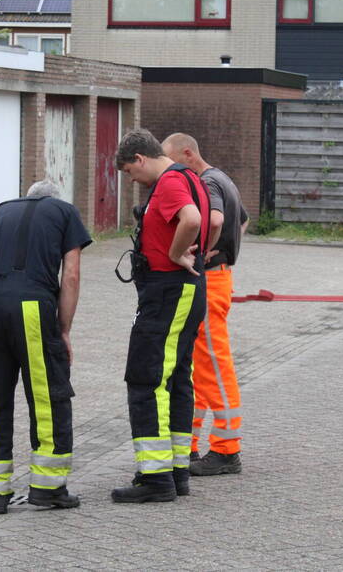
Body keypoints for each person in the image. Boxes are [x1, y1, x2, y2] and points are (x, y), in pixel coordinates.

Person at [0, 179, 92, 515]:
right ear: (53, 201)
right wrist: (63, 329)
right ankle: (48, 488)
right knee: (47, 396)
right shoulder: (64, 212)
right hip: (33, 309)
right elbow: (71, 276)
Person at [111, 129, 210, 503]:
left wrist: (173, 254)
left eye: (129, 173)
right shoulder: (189, 178)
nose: (133, 181)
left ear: (140, 159)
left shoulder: (169, 183)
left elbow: (192, 221)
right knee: (176, 377)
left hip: (167, 290)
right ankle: (176, 470)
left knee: (146, 378)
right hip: (182, 290)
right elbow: (208, 223)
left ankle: (154, 477)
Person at [162, 133, 248, 476]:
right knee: (197, 366)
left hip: (210, 279)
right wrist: (226, 247)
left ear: (187, 153)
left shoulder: (207, 182)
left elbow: (215, 220)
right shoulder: (223, 178)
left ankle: (227, 450)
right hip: (218, 278)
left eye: (174, 162)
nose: (171, 172)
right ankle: (190, 443)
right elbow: (241, 219)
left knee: (213, 363)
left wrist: (202, 248)